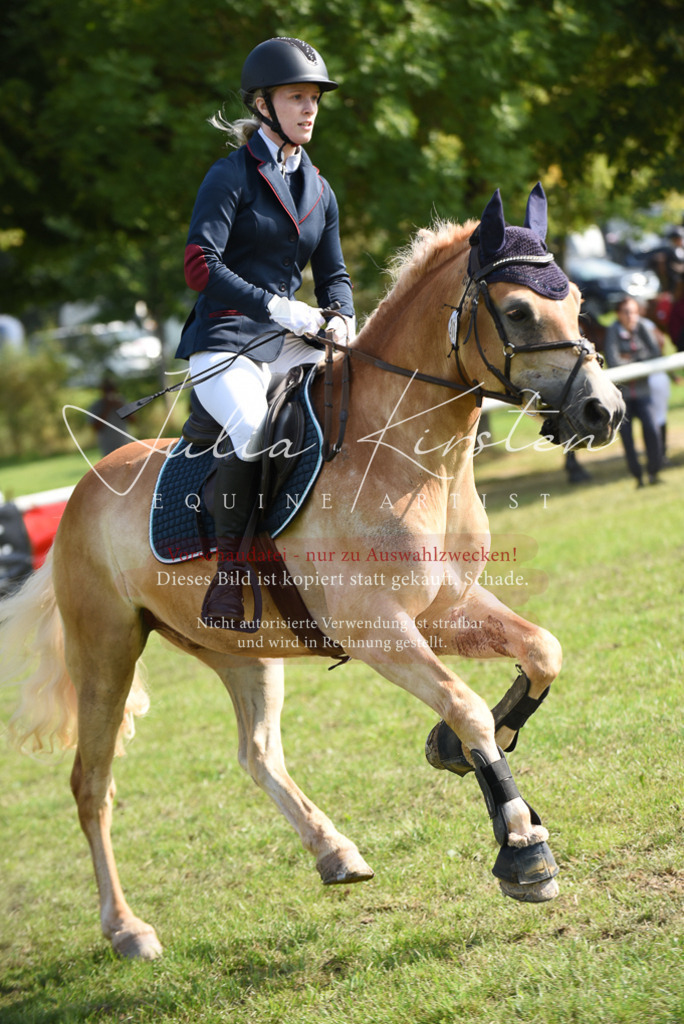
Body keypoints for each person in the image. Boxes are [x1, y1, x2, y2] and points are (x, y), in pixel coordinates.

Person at [175, 37, 355, 629]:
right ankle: (229, 575)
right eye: (296, 97)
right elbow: (200, 264)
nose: (309, 109)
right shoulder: (230, 176)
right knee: (253, 427)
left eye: (314, 99)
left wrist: (341, 315)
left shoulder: (320, 190)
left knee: (358, 390)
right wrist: (277, 307)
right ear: (262, 104)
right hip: (225, 342)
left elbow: (334, 275)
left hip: (289, 338)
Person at [603, 297, 662, 487]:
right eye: (627, 312)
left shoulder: (643, 327)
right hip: (623, 398)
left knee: (652, 430)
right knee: (627, 437)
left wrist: (630, 357)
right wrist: (639, 361)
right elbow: (613, 361)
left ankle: (654, 471)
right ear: (619, 314)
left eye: (634, 311)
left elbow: (655, 352)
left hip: (644, 392)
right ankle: (637, 476)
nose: (631, 316)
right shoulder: (613, 330)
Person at [88, 377, 133, 456]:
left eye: (111, 388)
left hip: (125, 445)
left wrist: (121, 408)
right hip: (108, 449)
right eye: (107, 389)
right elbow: (96, 427)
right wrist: (107, 408)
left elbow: (133, 420)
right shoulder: (96, 406)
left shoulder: (121, 401)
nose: (109, 391)